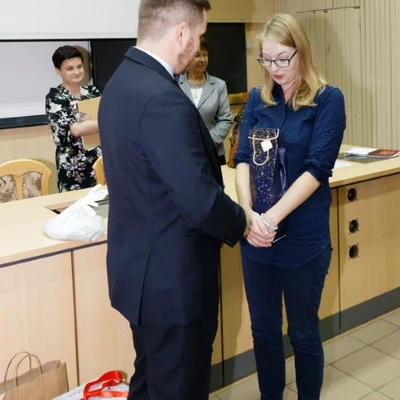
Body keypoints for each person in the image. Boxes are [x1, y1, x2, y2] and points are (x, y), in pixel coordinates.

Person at [98, 1, 246, 399]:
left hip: (140, 277)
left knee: (149, 381)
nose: (198, 45)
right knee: (178, 387)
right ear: (181, 33)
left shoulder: (119, 83)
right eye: (198, 35)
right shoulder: (162, 98)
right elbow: (198, 199)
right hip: (173, 285)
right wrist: (243, 223)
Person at [234, 13, 346, 400]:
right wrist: (248, 216)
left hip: (301, 240)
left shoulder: (327, 99)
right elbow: (243, 159)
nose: (275, 68)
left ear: (302, 51)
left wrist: (269, 220)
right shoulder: (257, 99)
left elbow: (317, 169)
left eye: (284, 58)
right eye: (267, 59)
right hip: (257, 240)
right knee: (264, 333)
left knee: (302, 332)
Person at [45, 45, 101, 192]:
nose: (76, 72)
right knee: (76, 209)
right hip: (72, 166)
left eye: (79, 66)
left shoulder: (93, 92)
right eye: (70, 68)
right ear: (59, 71)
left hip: (99, 159)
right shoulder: (56, 97)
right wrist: (102, 122)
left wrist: (90, 123)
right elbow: (76, 130)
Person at [179, 35, 232, 165]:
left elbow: (225, 120)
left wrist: (206, 141)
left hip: (213, 152)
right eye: (197, 55)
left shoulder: (219, 85)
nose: (202, 60)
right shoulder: (175, 85)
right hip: (184, 152)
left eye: (205, 55)